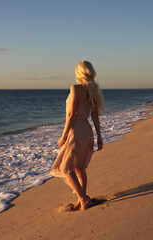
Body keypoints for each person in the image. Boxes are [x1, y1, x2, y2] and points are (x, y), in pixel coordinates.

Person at [50, 60, 104, 210]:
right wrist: (99, 137)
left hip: (77, 129)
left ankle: (83, 197)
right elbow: (95, 116)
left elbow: (71, 114)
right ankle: (82, 200)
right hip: (87, 130)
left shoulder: (75, 88)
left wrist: (64, 134)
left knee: (65, 167)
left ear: (79, 73)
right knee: (80, 168)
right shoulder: (93, 90)